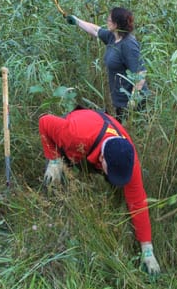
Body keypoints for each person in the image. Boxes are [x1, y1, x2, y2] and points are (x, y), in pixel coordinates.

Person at [40, 108, 160, 275]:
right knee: (57, 179)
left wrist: (147, 248)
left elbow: (138, 202)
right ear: (102, 159)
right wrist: (54, 160)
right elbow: (45, 121)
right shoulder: (73, 134)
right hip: (83, 128)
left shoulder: (128, 158)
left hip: (100, 135)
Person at [66, 8, 148, 122]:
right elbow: (95, 30)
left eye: (109, 20)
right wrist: (76, 21)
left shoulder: (128, 44)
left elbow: (141, 73)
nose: (107, 21)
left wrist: (132, 100)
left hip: (132, 105)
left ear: (117, 23)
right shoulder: (112, 37)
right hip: (120, 102)